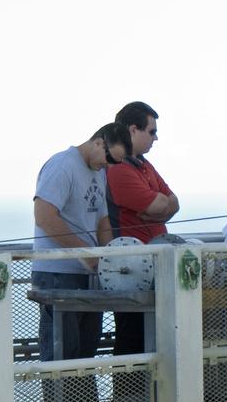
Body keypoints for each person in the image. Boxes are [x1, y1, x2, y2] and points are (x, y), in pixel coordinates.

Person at [31, 124, 122, 362]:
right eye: (109, 158)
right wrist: (83, 251)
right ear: (99, 142)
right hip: (57, 274)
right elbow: (44, 216)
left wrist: (111, 258)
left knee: (85, 352)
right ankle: (59, 401)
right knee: (62, 352)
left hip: (88, 273)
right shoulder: (62, 166)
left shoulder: (99, 171)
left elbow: (102, 222)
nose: (109, 165)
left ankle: (82, 401)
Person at [106, 101, 178, 356]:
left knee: (151, 339)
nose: (156, 138)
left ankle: (144, 395)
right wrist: (155, 207)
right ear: (132, 130)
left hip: (151, 270)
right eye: (151, 131)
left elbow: (173, 203)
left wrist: (155, 207)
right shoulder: (118, 169)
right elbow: (160, 203)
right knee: (132, 339)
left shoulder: (143, 165)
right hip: (130, 271)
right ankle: (129, 396)